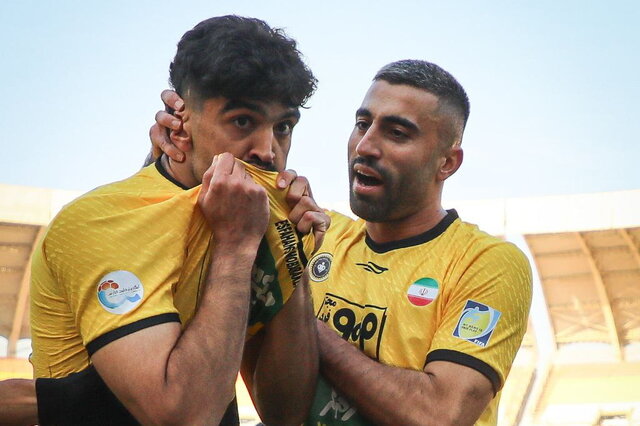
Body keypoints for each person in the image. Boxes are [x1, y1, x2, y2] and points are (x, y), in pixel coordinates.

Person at [152, 59, 533, 425]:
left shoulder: (487, 262)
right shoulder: (310, 232)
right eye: (362, 124)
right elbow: (274, 409)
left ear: (447, 162)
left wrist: (303, 322)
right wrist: (174, 155)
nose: (366, 146)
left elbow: (438, 415)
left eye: (397, 133)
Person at [0, 15, 327, 426]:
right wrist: (235, 246)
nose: (268, 149)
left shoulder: (252, 222)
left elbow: (287, 414)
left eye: (283, 127)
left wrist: (291, 252)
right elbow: (183, 417)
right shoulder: (102, 220)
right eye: (243, 120)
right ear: (181, 119)